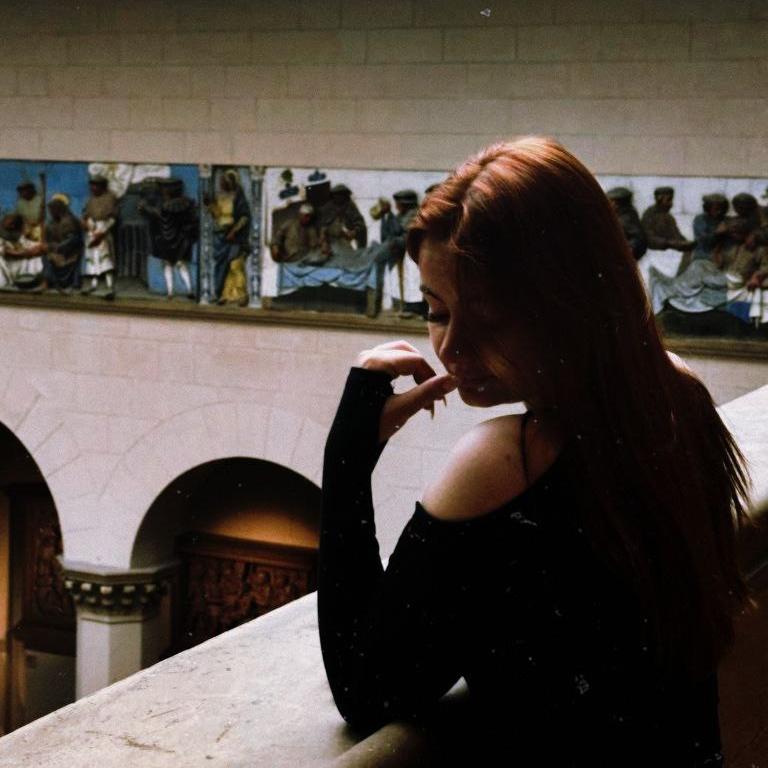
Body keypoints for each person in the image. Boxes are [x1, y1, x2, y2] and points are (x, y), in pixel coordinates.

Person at [319, 138, 749, 766]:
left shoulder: (505, 462)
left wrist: (347, 456)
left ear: (567, 303)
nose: (451, 347)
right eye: (434, 310)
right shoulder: (677, 394)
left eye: (488, 318)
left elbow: (366, 687)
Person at [139, 177, 198, 300]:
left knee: (168, 265)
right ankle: (189, 289)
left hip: (167, 241)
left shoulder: (165, 205)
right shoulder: (187, 203)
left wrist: (145, 207)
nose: (162, 191)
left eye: (163, 188)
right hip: (182, 240)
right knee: (181, 264)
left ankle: (171, 292)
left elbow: (159, 215)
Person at [205, 169, 251, 305]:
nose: (221, 184)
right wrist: (210, 205)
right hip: (221, 236)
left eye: (224, 181)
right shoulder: (221, 197)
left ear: (231, 182)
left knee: (235, 265)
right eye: (221, 181)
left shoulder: (238, 198)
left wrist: (234, 231)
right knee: (221, 266)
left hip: (235, 237)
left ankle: (241, 295)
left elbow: (244, 217)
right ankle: (222, 294)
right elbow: (217, 215)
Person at [81, 175, 118, 299]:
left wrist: (102, 232)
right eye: (92, 185)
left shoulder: (110, 199)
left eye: (96, 185)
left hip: (103, 231)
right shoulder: (90, 200)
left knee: (105, 259)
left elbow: (112, 219)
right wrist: (87, 225)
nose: (93, 188)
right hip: (91, 231)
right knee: (92, 259)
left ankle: (110, 286)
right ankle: (93, 285)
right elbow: (86, 215)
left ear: (102, 186)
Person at [42, 193, 83, 294]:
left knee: (51, 256)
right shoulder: (51, 223)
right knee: (45, 256)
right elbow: (48, 238)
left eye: (53, 210)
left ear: (59, 209)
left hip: (70, 253)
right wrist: (47, 245)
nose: (51, 213)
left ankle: (71, 284)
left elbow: (73, 240)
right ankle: (50, 282)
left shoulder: (69, 221)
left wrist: (57, 247)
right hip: (57, 252)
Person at [606, 186, 647, 260]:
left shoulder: (626, 218)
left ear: (616, 203)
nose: (607, 204)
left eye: (610, 201)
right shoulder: (618, 215)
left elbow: (638, 239)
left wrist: (626, 250)